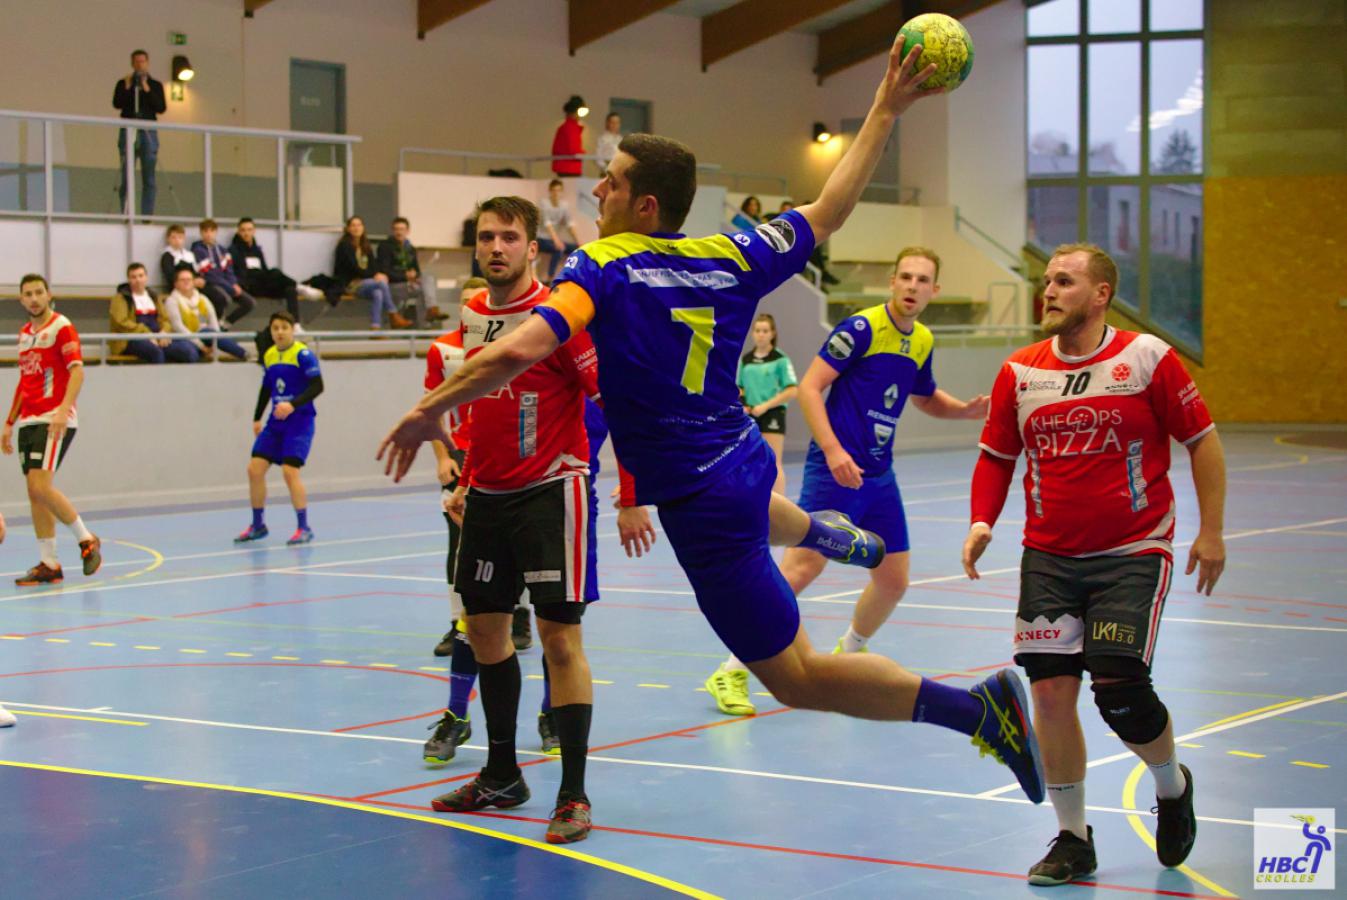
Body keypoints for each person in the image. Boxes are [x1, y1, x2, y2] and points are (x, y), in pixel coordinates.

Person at [380, 37, 1048, 813]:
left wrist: (430, 405)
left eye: (612, 181)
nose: (597, 188)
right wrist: (884, 108)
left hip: (705, 502)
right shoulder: (732, 251)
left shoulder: (603, 269)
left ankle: (980, 711)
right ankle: (821, 531)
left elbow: (524, 347)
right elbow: (829, 209)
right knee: (752, 510)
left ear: (644, 205)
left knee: (796, 677)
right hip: (740, 459)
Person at [962, 243, 1223, 885]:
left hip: (1133, 550)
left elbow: (1202, 442)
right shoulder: (1020, 371)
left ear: (1101, 293)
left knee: (1120, 690)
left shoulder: (1147, 358)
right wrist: (981, 522)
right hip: (1049, 555)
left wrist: (1211, 531)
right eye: (1046, 280)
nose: (1048, 290)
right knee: (1050, 693)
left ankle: (1171, 784)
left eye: (1065, 281)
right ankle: (1073, 838)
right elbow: (997, 456)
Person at [411, 196, 648, 846]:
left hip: (553, 491)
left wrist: (630, 495)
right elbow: (476, 407)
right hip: (485, 495)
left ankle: (572, 794)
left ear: (531, 247)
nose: (495, 247)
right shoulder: (470, 320)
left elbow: (616, 402)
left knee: (558, 640)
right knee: (484, 631)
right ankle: (500, 773)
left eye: (508, 237)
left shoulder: (560, 319)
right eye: (486, 236)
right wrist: (461, 478)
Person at [707, 246, 988, 715]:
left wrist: (963, 411)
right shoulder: (862, 327)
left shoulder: (920, 340)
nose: (913, 286)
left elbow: (924, 396)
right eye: (906, 277)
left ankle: (848, 657)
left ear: (934, 290)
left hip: (878, 475)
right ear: (893, 283)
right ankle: (731, 669)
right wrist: (834, 450)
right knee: (801, 569)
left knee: (894, 580)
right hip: (836, 471)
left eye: (923, 280)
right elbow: (810, 387)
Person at [2, 274, 102, 586]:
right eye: (28, 294)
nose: (34, 298)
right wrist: (8, 422)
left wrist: (62, 411)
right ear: (21, 300)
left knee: (41, 487)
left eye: (38, 292)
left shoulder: (61, 327)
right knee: (34, 492)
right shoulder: (24, 334)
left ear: (49, 295)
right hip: (30, 420)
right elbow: (24, 381)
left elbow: (78, 373)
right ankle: (49, 563)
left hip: (53, 418)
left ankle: (86, 539)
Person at [428, 277, 488, 658]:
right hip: (461, 452)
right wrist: (442, 457)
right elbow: (432, 406)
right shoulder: (443, 349)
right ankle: (457, 624)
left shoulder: (511, 339)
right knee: (459, 541)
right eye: (464, 301)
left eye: (476, 300)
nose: (469, 307)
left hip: (501, 454)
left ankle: (519, 619)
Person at [235, 311, 324, 545]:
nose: (280, 332)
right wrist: (257, 417)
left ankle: (304, 527)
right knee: (254, 469)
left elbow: (318, 386)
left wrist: (293, 405)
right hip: (276, 423)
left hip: (300, 422)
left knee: (289, 471)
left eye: (284, 327)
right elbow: (266, 388)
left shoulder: (303, 354)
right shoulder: (270, 355)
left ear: (292, 329)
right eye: (275, 328)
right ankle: (258, 525)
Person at [737, 313, 797, 495]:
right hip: (750, 415)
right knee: (749, 461)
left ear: (772, 333)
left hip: (772, 414)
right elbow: (740, 388)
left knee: (773, 460)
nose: (760, 334)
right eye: (757, 331)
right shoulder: (745, 360)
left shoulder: (780, 359)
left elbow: (792, 390)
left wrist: (766, 405)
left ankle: (780, 503)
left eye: (765, 331)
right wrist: (744, 405)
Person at [229, 217, 323, 320]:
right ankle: (299, 286)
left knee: (289, 290)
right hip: (249, 286)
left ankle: (295, 325)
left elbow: (264, 270)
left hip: (262, 284)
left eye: (249, 229)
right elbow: (239, 274)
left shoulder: (257, 250)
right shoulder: (233, 250)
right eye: (243, 230)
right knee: (273, 272)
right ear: (238, 232)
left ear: (254, 231)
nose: (246, 233)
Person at [111, 49, 165, 216]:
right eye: (136, 61)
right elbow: (117, 104)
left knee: (149, 176)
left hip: (148, 130)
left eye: (142, 61)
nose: (139, 64)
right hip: (128, 130)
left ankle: (147, 215)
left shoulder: (155, 85)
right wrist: (127, 86)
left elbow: (160, 107)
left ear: (147, 63)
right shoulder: (123, 83)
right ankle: (127, 213)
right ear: (132, 64)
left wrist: (146, 88)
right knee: (127, 175)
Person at [110, 263, 196, 363]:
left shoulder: (153, 296)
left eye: (141, 276)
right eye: (133, 277)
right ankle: (159, 378)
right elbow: (121, 322)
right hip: (131, 339)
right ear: (128, 279)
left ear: (146, 277)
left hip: (159, 337)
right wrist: (147, 334)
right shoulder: (121, 298)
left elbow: (165, 319)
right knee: (156, 352)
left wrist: (164, 333)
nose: (138, 280)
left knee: (188, 350)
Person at [335, 216, 410, 330]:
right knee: (380, 284)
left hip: (365, 282)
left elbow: (373, 265)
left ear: (363, 228)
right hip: (350, 283)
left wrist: (378, 274)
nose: (356, 228)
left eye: (359, 225)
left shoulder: (365, 245)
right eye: (353, 225)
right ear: (348, 229)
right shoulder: (344, 246)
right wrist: (374, 276)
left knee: (378, 293)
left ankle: (375, 327)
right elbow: (354, 268)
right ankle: (393, 314)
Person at [162, 265, 248, 361]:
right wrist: (200, 345)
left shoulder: (203, 298)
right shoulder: (172, 301)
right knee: (191, 351)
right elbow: (178, 327)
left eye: (189, 279)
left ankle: (244, 354)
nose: (186, 282)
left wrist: (215, 344)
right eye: (182, 280)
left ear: (194, 282)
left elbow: (213, 323)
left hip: (204, 335)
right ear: (176, 284)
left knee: (210, 332)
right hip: (183, 338)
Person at [377, 217, 442, 328]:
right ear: (393, 231)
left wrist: (414, 275)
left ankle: (430, 314)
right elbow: (384, 271)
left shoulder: (410, 248)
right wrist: (405, 276)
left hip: (408, 284)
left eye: (402, 229)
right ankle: (428, 317)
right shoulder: (385, 246)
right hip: (393, 285)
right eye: (396, 229)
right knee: (424, 290)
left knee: (427, 280)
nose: (399, 232)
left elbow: (417, 271)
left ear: (407, 231)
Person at [192, 219, 256, 328]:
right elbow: (210, 275)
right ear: (201, 233)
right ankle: (214, 325)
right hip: (211, 284)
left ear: (216, 232)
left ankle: (225, 324)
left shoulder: (223, 250)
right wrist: (230, 287)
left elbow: (229, 270)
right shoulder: (198, 250)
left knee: (250, 303)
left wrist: (234, 284)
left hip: (227, 284)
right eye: (205, 231)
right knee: (224, 299)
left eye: (211, 231)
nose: (208, 234)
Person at [537, 180, 580, 281]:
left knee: (578, 250)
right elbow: (548, 224)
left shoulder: (564, 205)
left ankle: (574, 277)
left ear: (562, 192)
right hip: (541, 238)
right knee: (559, 248)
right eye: (554, 190)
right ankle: (550, 278)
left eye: (559, 190)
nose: (556, 193)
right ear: (550, 191)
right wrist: (557, 241)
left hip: (554, 240)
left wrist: (579, 242)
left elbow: (570, 224)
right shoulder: (544, 203)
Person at [160, 224, 205, 291]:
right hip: (179, 288)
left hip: (194, 286)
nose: (177, 240)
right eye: (173, 237)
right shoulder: (167, 256)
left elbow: (195, 271)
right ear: (168, 239)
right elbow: (171, 277)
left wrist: (199, 279)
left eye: (180, 237)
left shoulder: (189, 254)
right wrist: (191, 282)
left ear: (184, 238)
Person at [551, 96, 586, 177]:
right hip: (570, 168)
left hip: (564, 167)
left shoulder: (564, 128)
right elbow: (573, 149)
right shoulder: (571, 128)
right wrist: (583, 153)